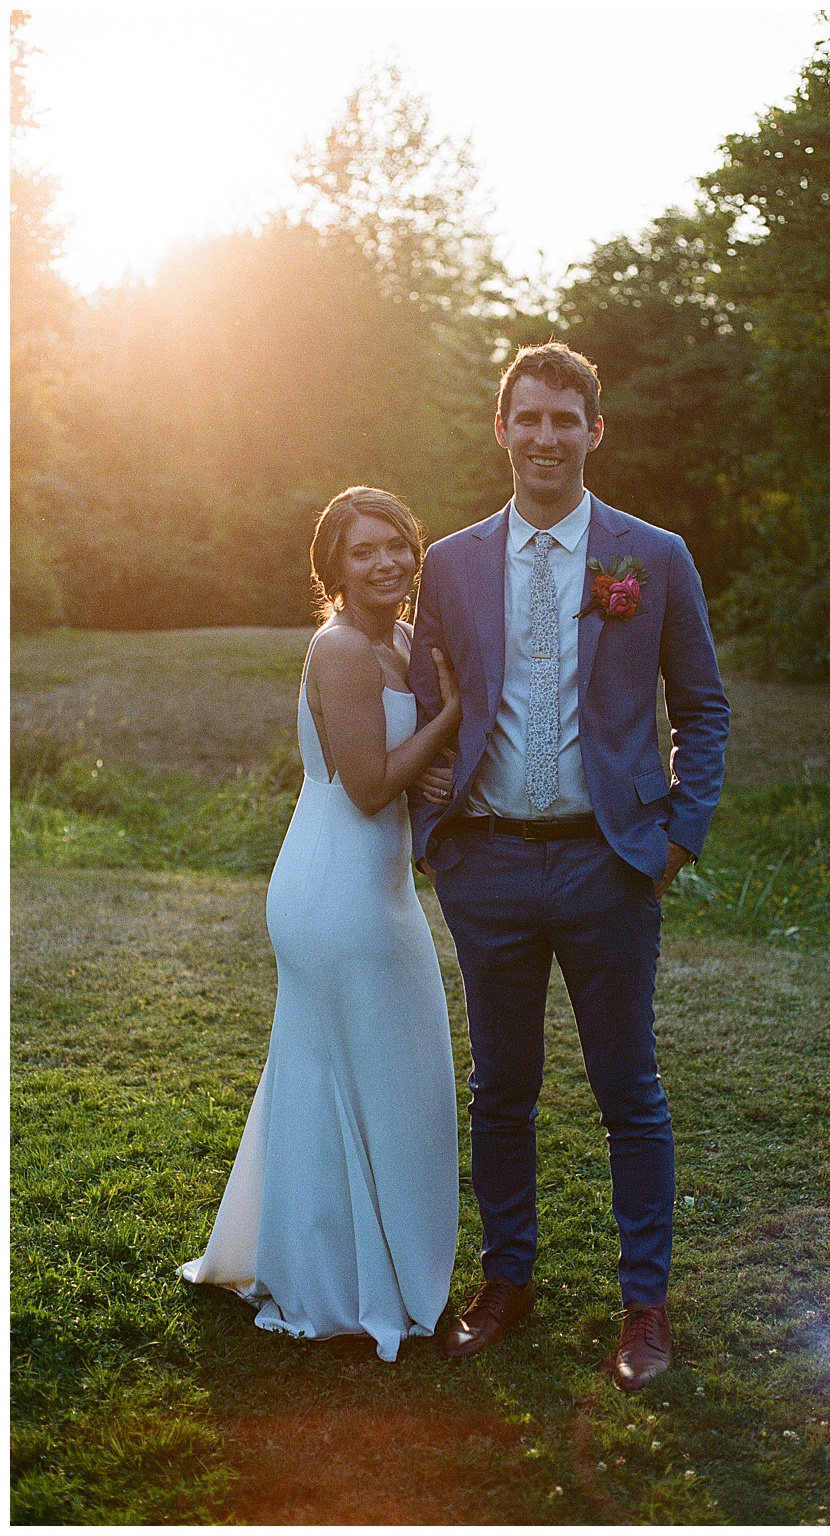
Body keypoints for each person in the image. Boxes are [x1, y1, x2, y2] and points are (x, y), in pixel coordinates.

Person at [409, 341, 729, 1392]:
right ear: (500, 431)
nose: (547, 437)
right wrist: (436, 837)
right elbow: (426, 711)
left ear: (597, 431)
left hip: (611, 866)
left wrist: (678, 835)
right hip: (488, 865)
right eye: (528, 419)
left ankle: (644, 1307)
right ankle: (508, 1281)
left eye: (566, 419)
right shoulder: (450, 563)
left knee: (627, 1088)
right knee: (501, 1087)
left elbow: (704, 707)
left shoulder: (654, 556)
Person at [181, 487, 465, 1362]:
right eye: (362, 551)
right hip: (332, 892)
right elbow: (371, 783)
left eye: (396, 546)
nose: (385, 562)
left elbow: (413, 776)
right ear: (333, 569)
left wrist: (443, 778)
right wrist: (449, 719)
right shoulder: (341, 649)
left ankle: (345, 1256)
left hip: (378, 887)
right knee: (341, 1075)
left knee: (382, 1074)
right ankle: (331, 1279)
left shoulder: (407, 641)